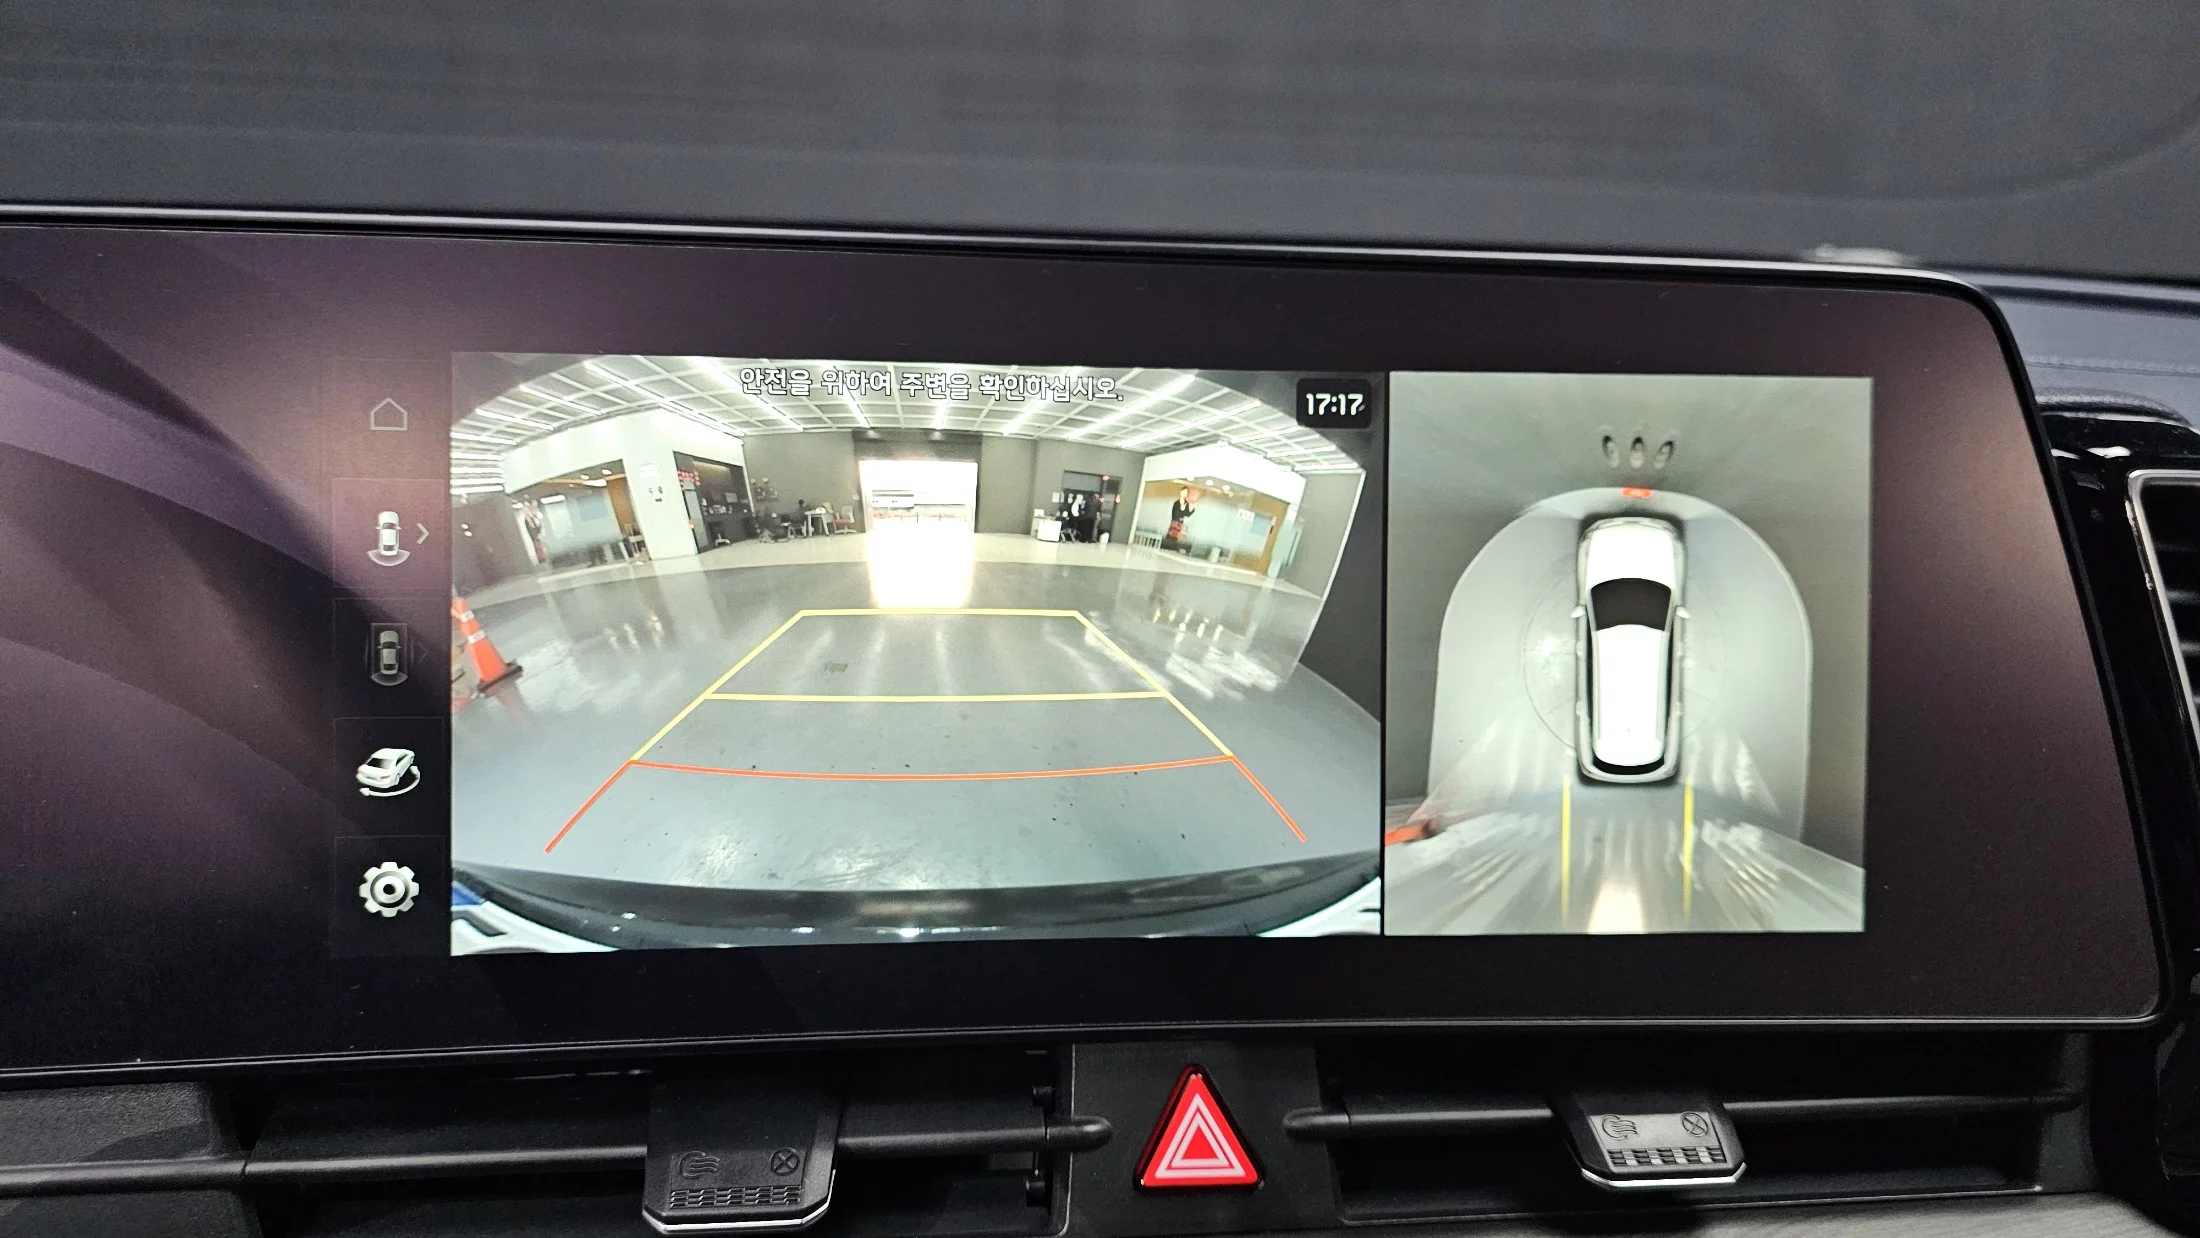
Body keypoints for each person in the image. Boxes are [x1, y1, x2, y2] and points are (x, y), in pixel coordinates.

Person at [1162, 486, 1198, 552]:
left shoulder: (1187, 503)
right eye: (1183, 492)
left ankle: (1171, 550)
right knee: (1171, 537)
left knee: (1176, 539)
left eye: (1185, 493)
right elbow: (1175, 513)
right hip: (1175, 523)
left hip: (1180, 524)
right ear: (1181, 492)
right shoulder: (1176, 503)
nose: (1184, 494)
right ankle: (1166, 549)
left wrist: (1192, 508)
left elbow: (1187, 514)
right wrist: (1182, 508)